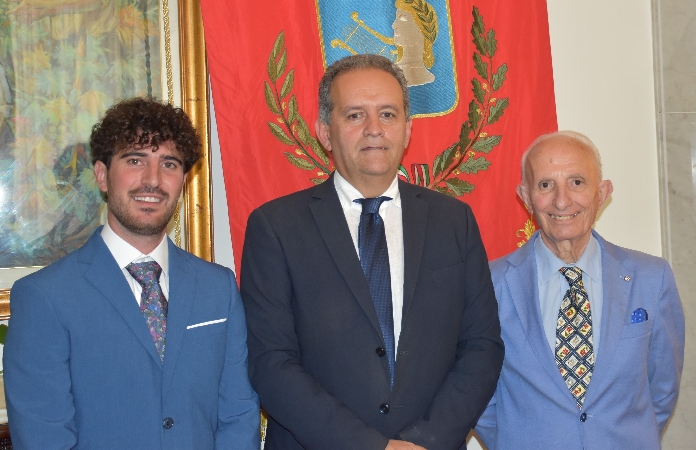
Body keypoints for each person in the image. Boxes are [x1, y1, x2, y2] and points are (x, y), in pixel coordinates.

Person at [241, 54, 503, 450]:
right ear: (325, 132)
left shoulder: (455, 221)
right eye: (354, 115)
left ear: (407, 129)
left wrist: (424, 441)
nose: (374, 129)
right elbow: (270, 362)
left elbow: (481, 347)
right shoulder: (275, 227)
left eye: (388, 114)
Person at [3, 97, 260, 449]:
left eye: (168, 164)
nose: (153, 179)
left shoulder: (219, 287)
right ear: (102, 175)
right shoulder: (45, 297)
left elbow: (238, 415)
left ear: (184, 180)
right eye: (135, 160)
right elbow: (44, 438)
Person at [475, 131, 685, 449]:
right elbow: (478, 394)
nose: (562, 200)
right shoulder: (490, 285)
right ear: (526, 196)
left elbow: (663, 386)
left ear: (602, 193)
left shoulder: (652, 278)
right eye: (545, 185)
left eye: (576, 182)